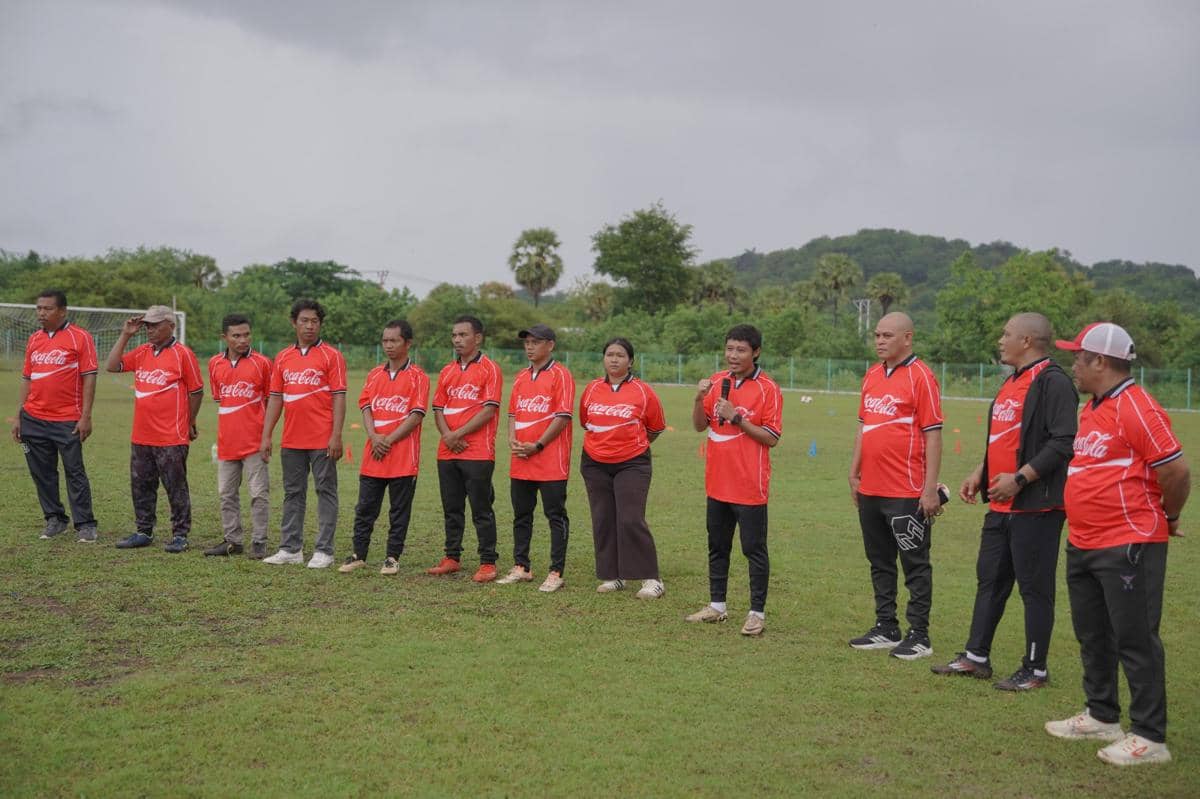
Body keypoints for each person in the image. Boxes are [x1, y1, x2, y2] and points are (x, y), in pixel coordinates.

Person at [1045, 322, 1190, 767]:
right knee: (1093, 633)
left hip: (1129, 543)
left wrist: (1168, 517)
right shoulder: (1093, 407)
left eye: (1079, 357)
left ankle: (1149, 736)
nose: (1074, 365)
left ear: (1101, 362)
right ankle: (1102, 714)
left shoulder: (1136, 406)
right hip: (1085, 541)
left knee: (1135, 639)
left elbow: (1177, 471)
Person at [932, 313, 1077, 689]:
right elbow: (1006, 437)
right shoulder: (1012, 382)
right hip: (1000, 505)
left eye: (1006, 334)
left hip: (1037, 506)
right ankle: (976, 657)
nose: (1001, 339)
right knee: (990, 581)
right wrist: (981, 470)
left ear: (1028, 340)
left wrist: (1021, 478)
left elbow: (1063, 442)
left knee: (1034, 588)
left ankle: (1035, 669)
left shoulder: (1053, 382)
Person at [847, 311, 943, 659]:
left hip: (905, 490)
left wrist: (929, 488)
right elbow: (864, 426)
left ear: (908, 338)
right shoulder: (872, 374)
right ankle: (886, 626)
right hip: (870, 488)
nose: (880, 341)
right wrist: (854, 472)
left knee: (914, 562)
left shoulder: (922, 376)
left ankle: (920, 634)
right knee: (880, 560)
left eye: (887, 335)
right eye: (877, 335)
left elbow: (933, 434)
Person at [685, 324, 782, 636]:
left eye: (741, 350)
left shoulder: (768, 388)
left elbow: (771, 438)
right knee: (717, 546)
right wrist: (700, 399)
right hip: (717, 483)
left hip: (749, 486)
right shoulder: (716, 382)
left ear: (756, 352)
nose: (733, 355)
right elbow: (700, 426)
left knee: (753, 549)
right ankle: (717, 606)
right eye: (729, 349)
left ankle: (756, 613)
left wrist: (737, 417)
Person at [105, 304, 204, 552]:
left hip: (171, 436)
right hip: (142, 434)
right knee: (141, 485)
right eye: (147, 324)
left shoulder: (183, 354)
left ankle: (180, 535)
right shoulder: (142, 352)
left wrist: (189, 421)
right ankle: (144, 531)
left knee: (176, 486)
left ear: (170, 326)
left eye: (155, 324)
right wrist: (126, 334)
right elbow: (112, 365)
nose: (149, 329)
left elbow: (196, 391)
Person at [260, 299, 347, 569]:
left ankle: (324, 550)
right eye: (304, 321)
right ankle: (290, 548)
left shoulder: (332, 356)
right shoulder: (283, 357)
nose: (310, 326)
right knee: (292, 493)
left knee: (325, 491)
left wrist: (336, 435)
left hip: (322, 439)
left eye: (315, 321)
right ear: (294, 323)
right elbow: (275, 399)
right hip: (292, 440)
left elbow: (339, 398)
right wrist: (266, 435)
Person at [579, 337, 667, 599]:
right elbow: (587, 422)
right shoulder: (592, 389)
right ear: (603, 359)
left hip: (633, 463)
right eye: (609, 354)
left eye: (620, 355)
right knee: (603, 518)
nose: (614, 359)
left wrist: (631, 445)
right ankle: (613, 576)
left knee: (630, 518)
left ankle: (651, 578)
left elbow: (656, 427)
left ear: (630, 361)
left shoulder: (643, 391)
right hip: (594, 462)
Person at [339, 320, 428, 575]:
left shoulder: (418, 377)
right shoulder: (374, 374)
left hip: (402, 457)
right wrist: (374, 436)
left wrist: (388, 440)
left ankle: (392, 557)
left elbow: (416, 414)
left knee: (398, 510)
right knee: (365, 507)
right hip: (373, 454)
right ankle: (358, 554)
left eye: (394, 340)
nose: (388, 345)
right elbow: (366, 406)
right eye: (385, 340)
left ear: (407, 343)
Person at [11, 289, 99, 542]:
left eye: (47, 308)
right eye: (38, 308)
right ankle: (55, 518)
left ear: (62, 311)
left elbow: (89, 377)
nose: (41, 313)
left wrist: (86, 416)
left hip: (67, 419)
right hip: (33, 418)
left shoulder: (80, 337)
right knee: (42, 472)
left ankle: (85, 524)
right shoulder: (34, 340)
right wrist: (20, 415)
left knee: (74, 471)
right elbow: (27, 378)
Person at [496, 323, 574, 592]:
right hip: (522, 459)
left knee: (555, 515)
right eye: (526, 342)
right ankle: (521, 567)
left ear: (550, 345)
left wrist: (538, 445)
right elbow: (512, 414)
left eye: (535, 342)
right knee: (521, 515)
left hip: (551, 461)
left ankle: (555, 571)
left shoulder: (561, 375)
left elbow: (563, 416)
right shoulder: (520, 377)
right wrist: (512, 439)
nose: (529, 347)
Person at [426, 315, 503, 582]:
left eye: (463, 335)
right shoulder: (447, 371)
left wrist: (458, 433)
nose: (457, 340)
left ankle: (488, 562)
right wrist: (448, 435)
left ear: (478, 338)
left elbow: (490, 408)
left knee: (481, 508)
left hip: (477, 452)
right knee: (452, 507)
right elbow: (437, 408)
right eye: (454, 335)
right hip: (447, 452)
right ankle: (452, 557)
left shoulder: (490, 369)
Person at [203, 314, 273, 559]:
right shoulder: (214, 364)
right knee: (226, 493)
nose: (243, 340)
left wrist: (266, 437)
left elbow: (269, 400)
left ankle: (259, 542)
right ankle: (232, 540)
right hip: (227, 443)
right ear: (225, 338)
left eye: (246, 335)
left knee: (258, 494)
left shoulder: (262, 363)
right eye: (236, 336)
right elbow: (221, 400)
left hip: (254, 442)